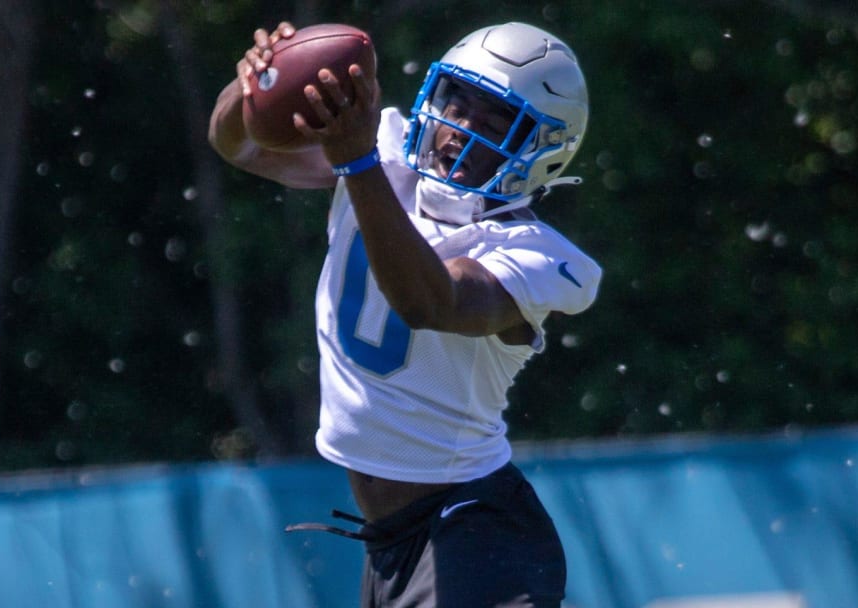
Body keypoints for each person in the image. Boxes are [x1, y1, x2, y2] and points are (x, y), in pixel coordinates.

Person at [209, 20, 601, 608]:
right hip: (396, 543)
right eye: (457, 105)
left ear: (541, 150)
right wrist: (255, 86)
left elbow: (431, 303)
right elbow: (239, 144)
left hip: (474, 533)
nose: (460, 132)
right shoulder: (382, 148)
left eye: (495, 124)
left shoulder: (538, 254)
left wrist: (358, 163)